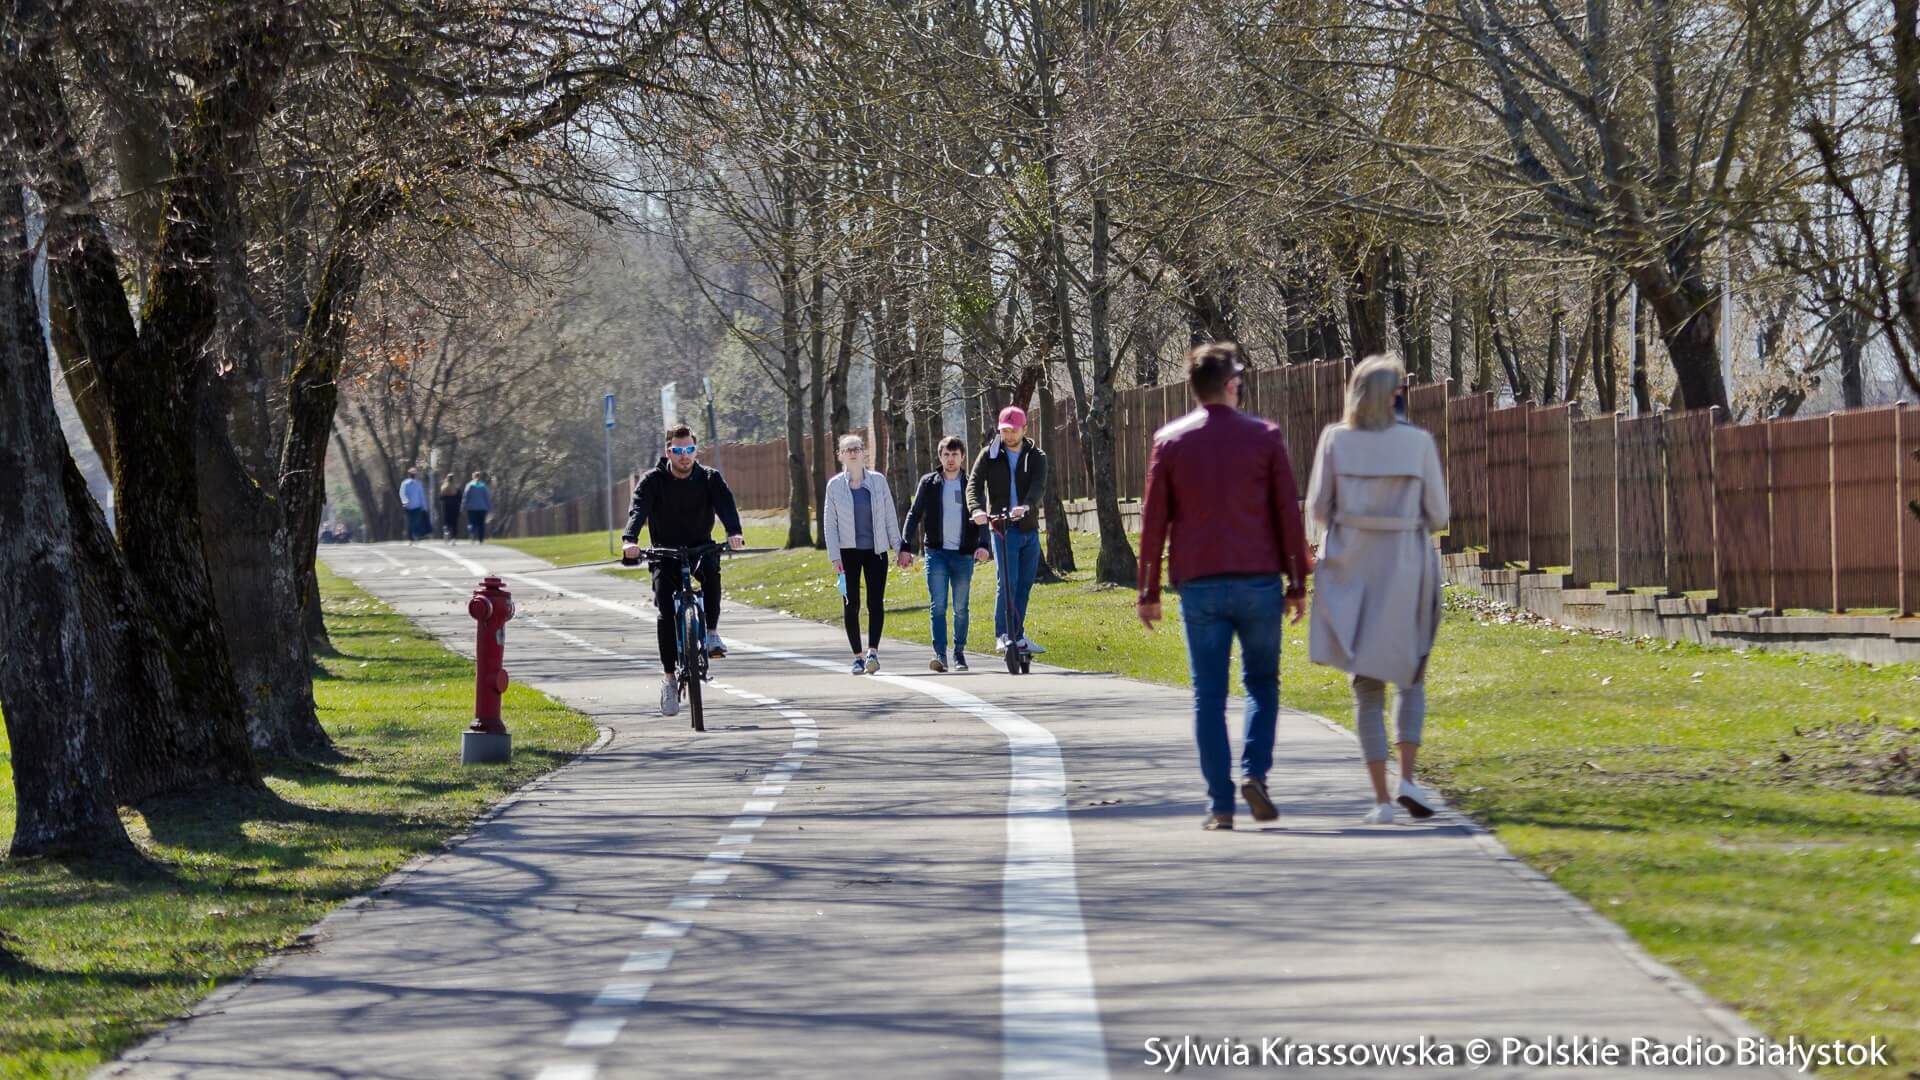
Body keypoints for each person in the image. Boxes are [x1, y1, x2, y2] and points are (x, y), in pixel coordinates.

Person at [1137, 342, 1311, 831]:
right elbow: (1286, 514)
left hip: (1200, 585)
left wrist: (1147, 591)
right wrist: (1297, 582)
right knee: (1261, 683)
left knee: (1207, 695)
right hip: (1258, 581)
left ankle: (1219, 804)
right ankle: (1254, 772)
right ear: (1232, 384)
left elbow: (1154, 521)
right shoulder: (1265, 437)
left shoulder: (1170, 441)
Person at [1305, 355, 1449, 825]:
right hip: (1406, 565)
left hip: (1353, 567)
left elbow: (1319, 508)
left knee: (1365, 687)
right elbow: (1440, 514)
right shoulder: (1418, 442)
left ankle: (1382, 800)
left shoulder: (1335, 440)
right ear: (1395, 395)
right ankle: (1408, 776)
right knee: (1411, 674)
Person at [622, 425, 746, 717]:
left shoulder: (709, 478)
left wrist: (734, 533)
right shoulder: (653, 481)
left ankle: (712, 633)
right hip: (664, 552)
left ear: (695, 450)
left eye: (689, 450)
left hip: (700, 548)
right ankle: (668, 679)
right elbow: (638, 509)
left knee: (712, 576)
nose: (684, 456)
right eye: (678, 451)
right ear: (668, 453)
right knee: (665, 611)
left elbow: (726, 505)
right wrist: (630, 540)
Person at [899, 435, 991, 672]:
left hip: (963, 555)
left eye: (955, 455)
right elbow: (914, 513)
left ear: (962, 457)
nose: (951, 459)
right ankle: (940, 655)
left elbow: (982, 517)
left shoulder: (971, 485)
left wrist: (984, 545)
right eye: (946, 455)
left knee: (961, 607)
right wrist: (905, 544)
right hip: (936, 554)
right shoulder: (929, 483)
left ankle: (959, 652)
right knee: (937, 606)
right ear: (940, 457)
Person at [967, 406, 1048, 656]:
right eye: (1004, 431)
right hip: (1002, 528)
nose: (1009, 435)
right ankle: (1003, 635)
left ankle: (1018, 635)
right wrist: (976, 510)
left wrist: (1026, 506)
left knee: (1024, 584)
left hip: (1028, 527)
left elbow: (1038, 486)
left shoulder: (1036, 456)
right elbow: (974, 484)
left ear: (1024, 429)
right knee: (1007, 583)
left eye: (1013, 430)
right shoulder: (989, 455)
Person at [823, 434, 901, 675]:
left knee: (875, 602)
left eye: (857, 448)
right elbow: (830, 524)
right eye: (848, 450)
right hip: (848, 554)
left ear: (864, 453)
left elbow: (890, 515)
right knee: (851, 603)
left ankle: (872, 653)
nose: (853, 453)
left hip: (875, 552)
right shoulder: (835, 485)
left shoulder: (878, 481)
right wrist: (835, 557)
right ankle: (857, 656)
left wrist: (898, 547)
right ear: (841, 455)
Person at [398, 468, 429, 543]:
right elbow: (402, 493)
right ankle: (411, 536)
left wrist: (424, 506)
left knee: (415, 521)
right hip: (409, 507)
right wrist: (405, 502)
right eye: (412, 474)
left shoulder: (418, 483)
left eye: (413, 474)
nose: (413, 475)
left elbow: (421, 495)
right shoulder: (405, 483)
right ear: (409, 475)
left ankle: (414, 536)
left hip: (417, 506)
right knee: (411, 521)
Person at [462, 472, 493, 543]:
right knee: (481, 524)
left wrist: (463, 507)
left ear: (473, 477)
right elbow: (487, 498)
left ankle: (472, 534)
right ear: (480, 477)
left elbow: (465, 497)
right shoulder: (483, 486)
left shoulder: (469, 485)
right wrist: (490, 508)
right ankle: (481, 538)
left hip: (471, 508)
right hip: (482, 508)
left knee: (472, 523)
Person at [439, 475, 462, 542]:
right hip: (455, 507)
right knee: (454, 522)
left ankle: (446, 531)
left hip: (446, 506)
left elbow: (440, 498)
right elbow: (460, 498)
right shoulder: (456, 488)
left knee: (446, 521)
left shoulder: (444, 487)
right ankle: (454, 537)